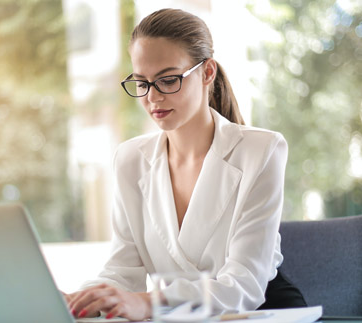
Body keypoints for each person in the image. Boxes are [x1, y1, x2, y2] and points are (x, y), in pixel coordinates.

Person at [66, 8, 306, 321]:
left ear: (207, 73)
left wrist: (149, 303)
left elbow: (244, 286)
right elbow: (121, 271)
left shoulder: (261, 150)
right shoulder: (130, 159)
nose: (153, 97)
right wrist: (79, 300)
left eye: (168, 80)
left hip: (260, 313)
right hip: (180, 316)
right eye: (142, 82)